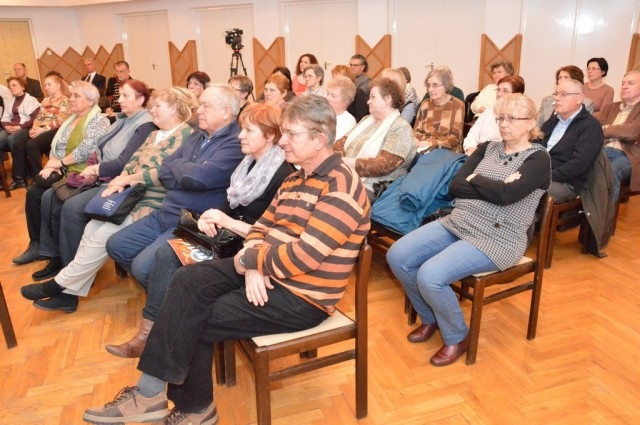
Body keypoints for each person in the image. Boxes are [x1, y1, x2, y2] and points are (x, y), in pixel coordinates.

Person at [82, 94, 370, 425]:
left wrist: (252, 262)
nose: (283, 141)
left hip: (303, 297)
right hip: (272, 270)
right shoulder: (295, 179)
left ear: (319, 139)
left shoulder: (341, 187)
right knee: (187, 279)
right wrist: (254, 262)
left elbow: (304, 256)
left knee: (195, 315)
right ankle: (156, 396)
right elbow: (260, 229)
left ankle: (184, 405)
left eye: (291, 134)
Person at [104, 102, 294, 357]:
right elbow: (230, 203)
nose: (240, 136)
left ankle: (152, 335)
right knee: (166, 255)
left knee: (167, 256)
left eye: (249, 131)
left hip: (249, 246)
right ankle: (160, 325)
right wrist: (211, 218)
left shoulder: (282, 174)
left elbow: (271, 233)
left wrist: (224, 220)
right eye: (242, 129)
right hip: (228, 236)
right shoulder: (248, 163)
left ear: (270, 136)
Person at [387, 93, 551, 367]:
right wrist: (493, 185)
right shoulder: (487, 148)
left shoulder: (538, 159)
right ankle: (431, 318)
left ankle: (458, 336)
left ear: (531, 122)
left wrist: (478, 180)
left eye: (512, 118)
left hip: (498, 237)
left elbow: (507, 195)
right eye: (500, 118)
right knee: (398, 255)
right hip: (459, 221)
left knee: (430, 275)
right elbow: (456, 187)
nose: (504, 124)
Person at [19, 87, 198, 313]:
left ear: (174, 109)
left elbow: (164, 173)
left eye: (157, 106)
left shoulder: (186, 136)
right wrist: (120, 180)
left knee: (102, 235)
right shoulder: (155, 134)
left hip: (151, 204)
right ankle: (68, 292)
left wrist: (126, 179)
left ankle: (59, 285)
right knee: (91, 228)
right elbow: (132, 161)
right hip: (130, 197)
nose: (152, 110)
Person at [105, 84, 244, 289]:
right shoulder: (197, 135)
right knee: (116, 245)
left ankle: (165, 295)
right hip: (166, 212)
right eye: (200, 105)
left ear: (226, 111)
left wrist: (181, 169)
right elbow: (164, 171)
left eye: (205, 106)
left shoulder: (235, 142)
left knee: (142, 267)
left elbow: (199, 179)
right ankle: (163, 291)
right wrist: (187, 172)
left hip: (191, 222)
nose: (199, 111)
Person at [13, 80, 154, 275]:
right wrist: (59, 163)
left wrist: (86, 168)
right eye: (119, 95)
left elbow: (122, 162)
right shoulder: (121, 119)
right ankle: (55, 256)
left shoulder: (142, 125)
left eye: (125, 96)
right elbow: (94, 149)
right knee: (46, 196)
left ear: (140, 99)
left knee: (69, 206)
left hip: (115, 181)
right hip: (96, 174)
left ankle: (71, 271)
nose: (119, 100)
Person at [13, 81, 110, 269]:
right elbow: (55, 146)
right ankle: (37, 244)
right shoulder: (70, 119)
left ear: (90, 101)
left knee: (47, 196)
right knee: (33, 193)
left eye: (76, 96)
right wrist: (52, 164)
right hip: (63, 169)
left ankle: (57, 254)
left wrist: (60, 163)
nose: (71, 99)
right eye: (71, 95)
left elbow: (86, 149)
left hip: (82, 173)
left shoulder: (99, 121)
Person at [334, 77, 416, 198]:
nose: (368, 102)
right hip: (346, 175)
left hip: (374, 187)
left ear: (388, 99)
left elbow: (382, 166)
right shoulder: (366, 120)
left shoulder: (401, 128)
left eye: (373, 97)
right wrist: (339, 160)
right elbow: (340, 142)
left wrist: (341, 161)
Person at [540, 79, 603, 203]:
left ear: (579, 98)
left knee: (526, 189)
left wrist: (544, 176)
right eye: (556, 94)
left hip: (566, 183)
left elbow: (577, 165)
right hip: (541, 174)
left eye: (563, 94)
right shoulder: (553, 121)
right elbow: (535, 146)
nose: (557, 98)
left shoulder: (590, 126)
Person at [11, 73, 71, 188]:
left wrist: (42, 130)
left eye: (49, 85)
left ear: (58, 85)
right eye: (45, 85)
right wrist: (34, 128)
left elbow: (61, 120)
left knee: (31, 145)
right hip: (40, 129)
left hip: (55, 130)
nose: (46, 87)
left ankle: (38, 178)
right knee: (18, 144)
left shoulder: (65, 100)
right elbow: (38, 117)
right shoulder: (46, 100)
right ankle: (19, 179)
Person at [595, 70, 640, 210]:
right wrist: (616, 130)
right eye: (623, 83)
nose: (624, 86)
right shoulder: (611, 108)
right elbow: (595, 128)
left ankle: (605, 221)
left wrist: (607, 128)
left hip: (628, 156)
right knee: (581, 163)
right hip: (603, 150)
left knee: (612, 170)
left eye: (630, 83)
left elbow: (633, 132)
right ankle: (574, 213)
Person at [464, 75, 525, 155]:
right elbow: (472, 135)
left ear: (517, 95)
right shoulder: (489, 112)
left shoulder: (520, 118)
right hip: (477, 153)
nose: (499, 94)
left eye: (505, 91)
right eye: (498, 90)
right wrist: (470, 148)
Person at [0, 76, 41, 189]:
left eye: (14, 85)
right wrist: (6, 126)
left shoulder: (31, 100)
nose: (12, 88)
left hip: (26, 128)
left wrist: (20, 127)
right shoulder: (10, 101)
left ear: (22, 87)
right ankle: (2, 179)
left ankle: (19, 178)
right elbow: (4, 118)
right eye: (10, 86)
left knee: (12, 139)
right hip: (11, 128)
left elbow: (35, 118)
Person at [414, 67, 465, 153]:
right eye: (428, 85)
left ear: (446, 86)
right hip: (423, 148)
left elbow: (455, 139)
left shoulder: (458, 105)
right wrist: (415, 139)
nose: (430, 89)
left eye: (435, 85)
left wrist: (430, 143)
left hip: (446, 151)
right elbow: (417, 131)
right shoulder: (425, 104)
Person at [348, 54, 371, 122]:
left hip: (358, 115)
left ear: (363, 67)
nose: (352, 67)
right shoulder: (349, 79)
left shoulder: (367, 81)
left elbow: (357, 95)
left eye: (355, 65)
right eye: (351, 65)